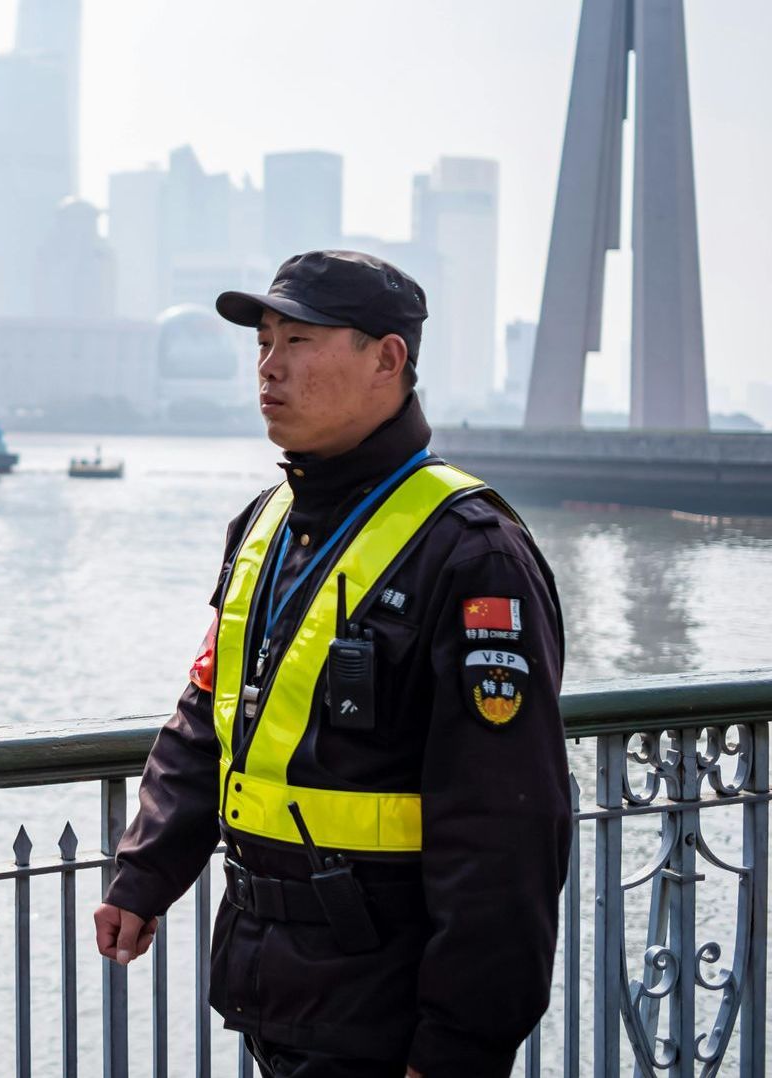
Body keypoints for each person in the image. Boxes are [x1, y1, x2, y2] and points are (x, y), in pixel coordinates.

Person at [92, 250, 569, 1078]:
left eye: (300, 341)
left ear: (388, 359)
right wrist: (146, 871)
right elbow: (210, 714)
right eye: (264, 343)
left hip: (390, 1013)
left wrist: (459, 1046)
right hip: (274, 986)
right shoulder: (267, 523)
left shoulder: (470, 553)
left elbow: (505, 833)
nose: (270, 368)